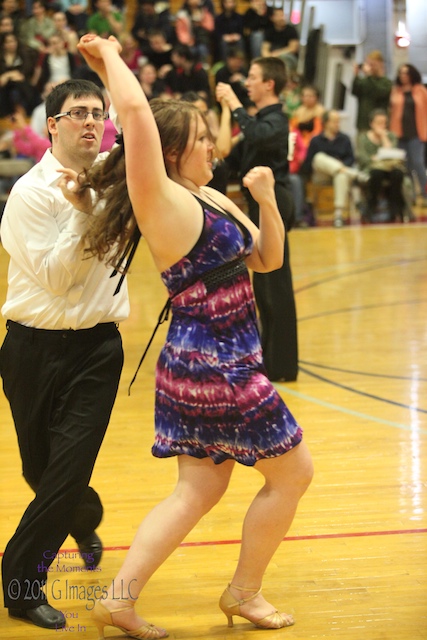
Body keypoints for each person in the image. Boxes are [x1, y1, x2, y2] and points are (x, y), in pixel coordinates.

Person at [67, 33, 313, 638]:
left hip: (208, 363)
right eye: (204, 137)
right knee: (294, 473)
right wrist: (114, 58)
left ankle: (118, 602)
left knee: (196, 491)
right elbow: (134, 117)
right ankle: (244, 593)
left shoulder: (209, 198)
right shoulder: (163, 201)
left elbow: (267, 262)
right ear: (172, 151)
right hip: (216, 367)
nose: (215, 144)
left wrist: (266, 200)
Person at [0, 78, 129, 630]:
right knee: (42, 469)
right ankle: (83, 512)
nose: (91, 122)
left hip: (98, 350)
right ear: (52, 125)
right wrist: (81, 209)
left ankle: (21, 583)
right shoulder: (30, 194)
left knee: (64, 470)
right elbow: (55, 278)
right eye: (78, 113)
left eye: (98, 112)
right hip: (31, 348)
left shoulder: (119, 185)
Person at [217, 56, 299, 382]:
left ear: (269, 84)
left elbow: (258, 136)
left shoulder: (276, 121)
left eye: (252, 77)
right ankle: (270, 360)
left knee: (275, 282)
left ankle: (283, 365)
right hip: (259, 208)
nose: (247, 82)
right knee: (263, 286)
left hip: (275, 203)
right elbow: (231, 155)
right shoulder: (257, 123)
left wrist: (234, 103)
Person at [301, 109, 357, 227]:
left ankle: (338, 215)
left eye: (338, 122)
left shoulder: (345, 139)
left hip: (339, 175)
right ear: (326, 123)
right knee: (319, 157)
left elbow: (351, 159)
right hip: (321, 175)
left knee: (341, 175)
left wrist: (340, 166)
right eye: (334, 122)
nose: (337, 124)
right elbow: (308, 163)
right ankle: (352, 173)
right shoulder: (316, 140)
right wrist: (329, 164)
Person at [356, 108, 407, 222]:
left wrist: (383, 137)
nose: (382, 126)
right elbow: (363, 158)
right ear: (371, 124)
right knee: (376, 173)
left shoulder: (391, 136)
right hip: (371, 169)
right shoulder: (363, 137)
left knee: (397, 174)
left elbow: (392, 153)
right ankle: (372, 206)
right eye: (378, 123)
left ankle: (395, 209)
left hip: (390, 168)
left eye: (384, 123)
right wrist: (376, 160)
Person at [389, 63, 427, 207]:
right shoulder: (396, 91)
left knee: (418, 164)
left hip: (417, 133)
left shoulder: (421, 90)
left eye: (406, 73)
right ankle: (410, 196)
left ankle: (425, 194)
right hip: (399, 134)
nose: (403, 76)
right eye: (401, 73)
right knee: (406, 166)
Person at [351, 50, 392, 134]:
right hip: (363, 124)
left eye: (373, 64)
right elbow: (354, 91)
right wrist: (356, 75)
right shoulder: (365, 81)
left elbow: (379, 93)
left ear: (381, 64)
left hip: (380, 125)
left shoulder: (386, 82)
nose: (371, 67)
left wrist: (369, 76)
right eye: (369, 64)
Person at [261, 8, 299, 72]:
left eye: (282, 15)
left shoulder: (291, 30)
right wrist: (268, 56)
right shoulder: (269, 31)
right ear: (272, 18)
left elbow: (293, 48)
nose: (282, 18)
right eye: (278, 15)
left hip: (287, 56)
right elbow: (265, 48)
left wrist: (277, 54)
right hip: (272, 56)